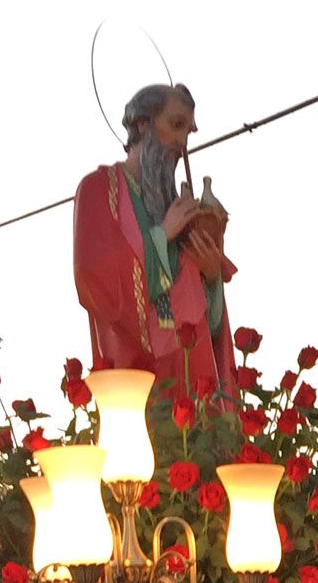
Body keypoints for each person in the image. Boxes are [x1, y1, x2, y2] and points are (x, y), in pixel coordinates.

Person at [73, 81, 237, 399]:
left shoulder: (179, 205)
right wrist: (162, 235)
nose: (181, 141)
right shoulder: (97, 190)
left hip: (193, 377)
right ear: (142, 123)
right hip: (136, 379)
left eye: (188, 132)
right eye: (175, 125)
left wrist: (213, 275)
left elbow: (207, 316)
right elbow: (92, 276)